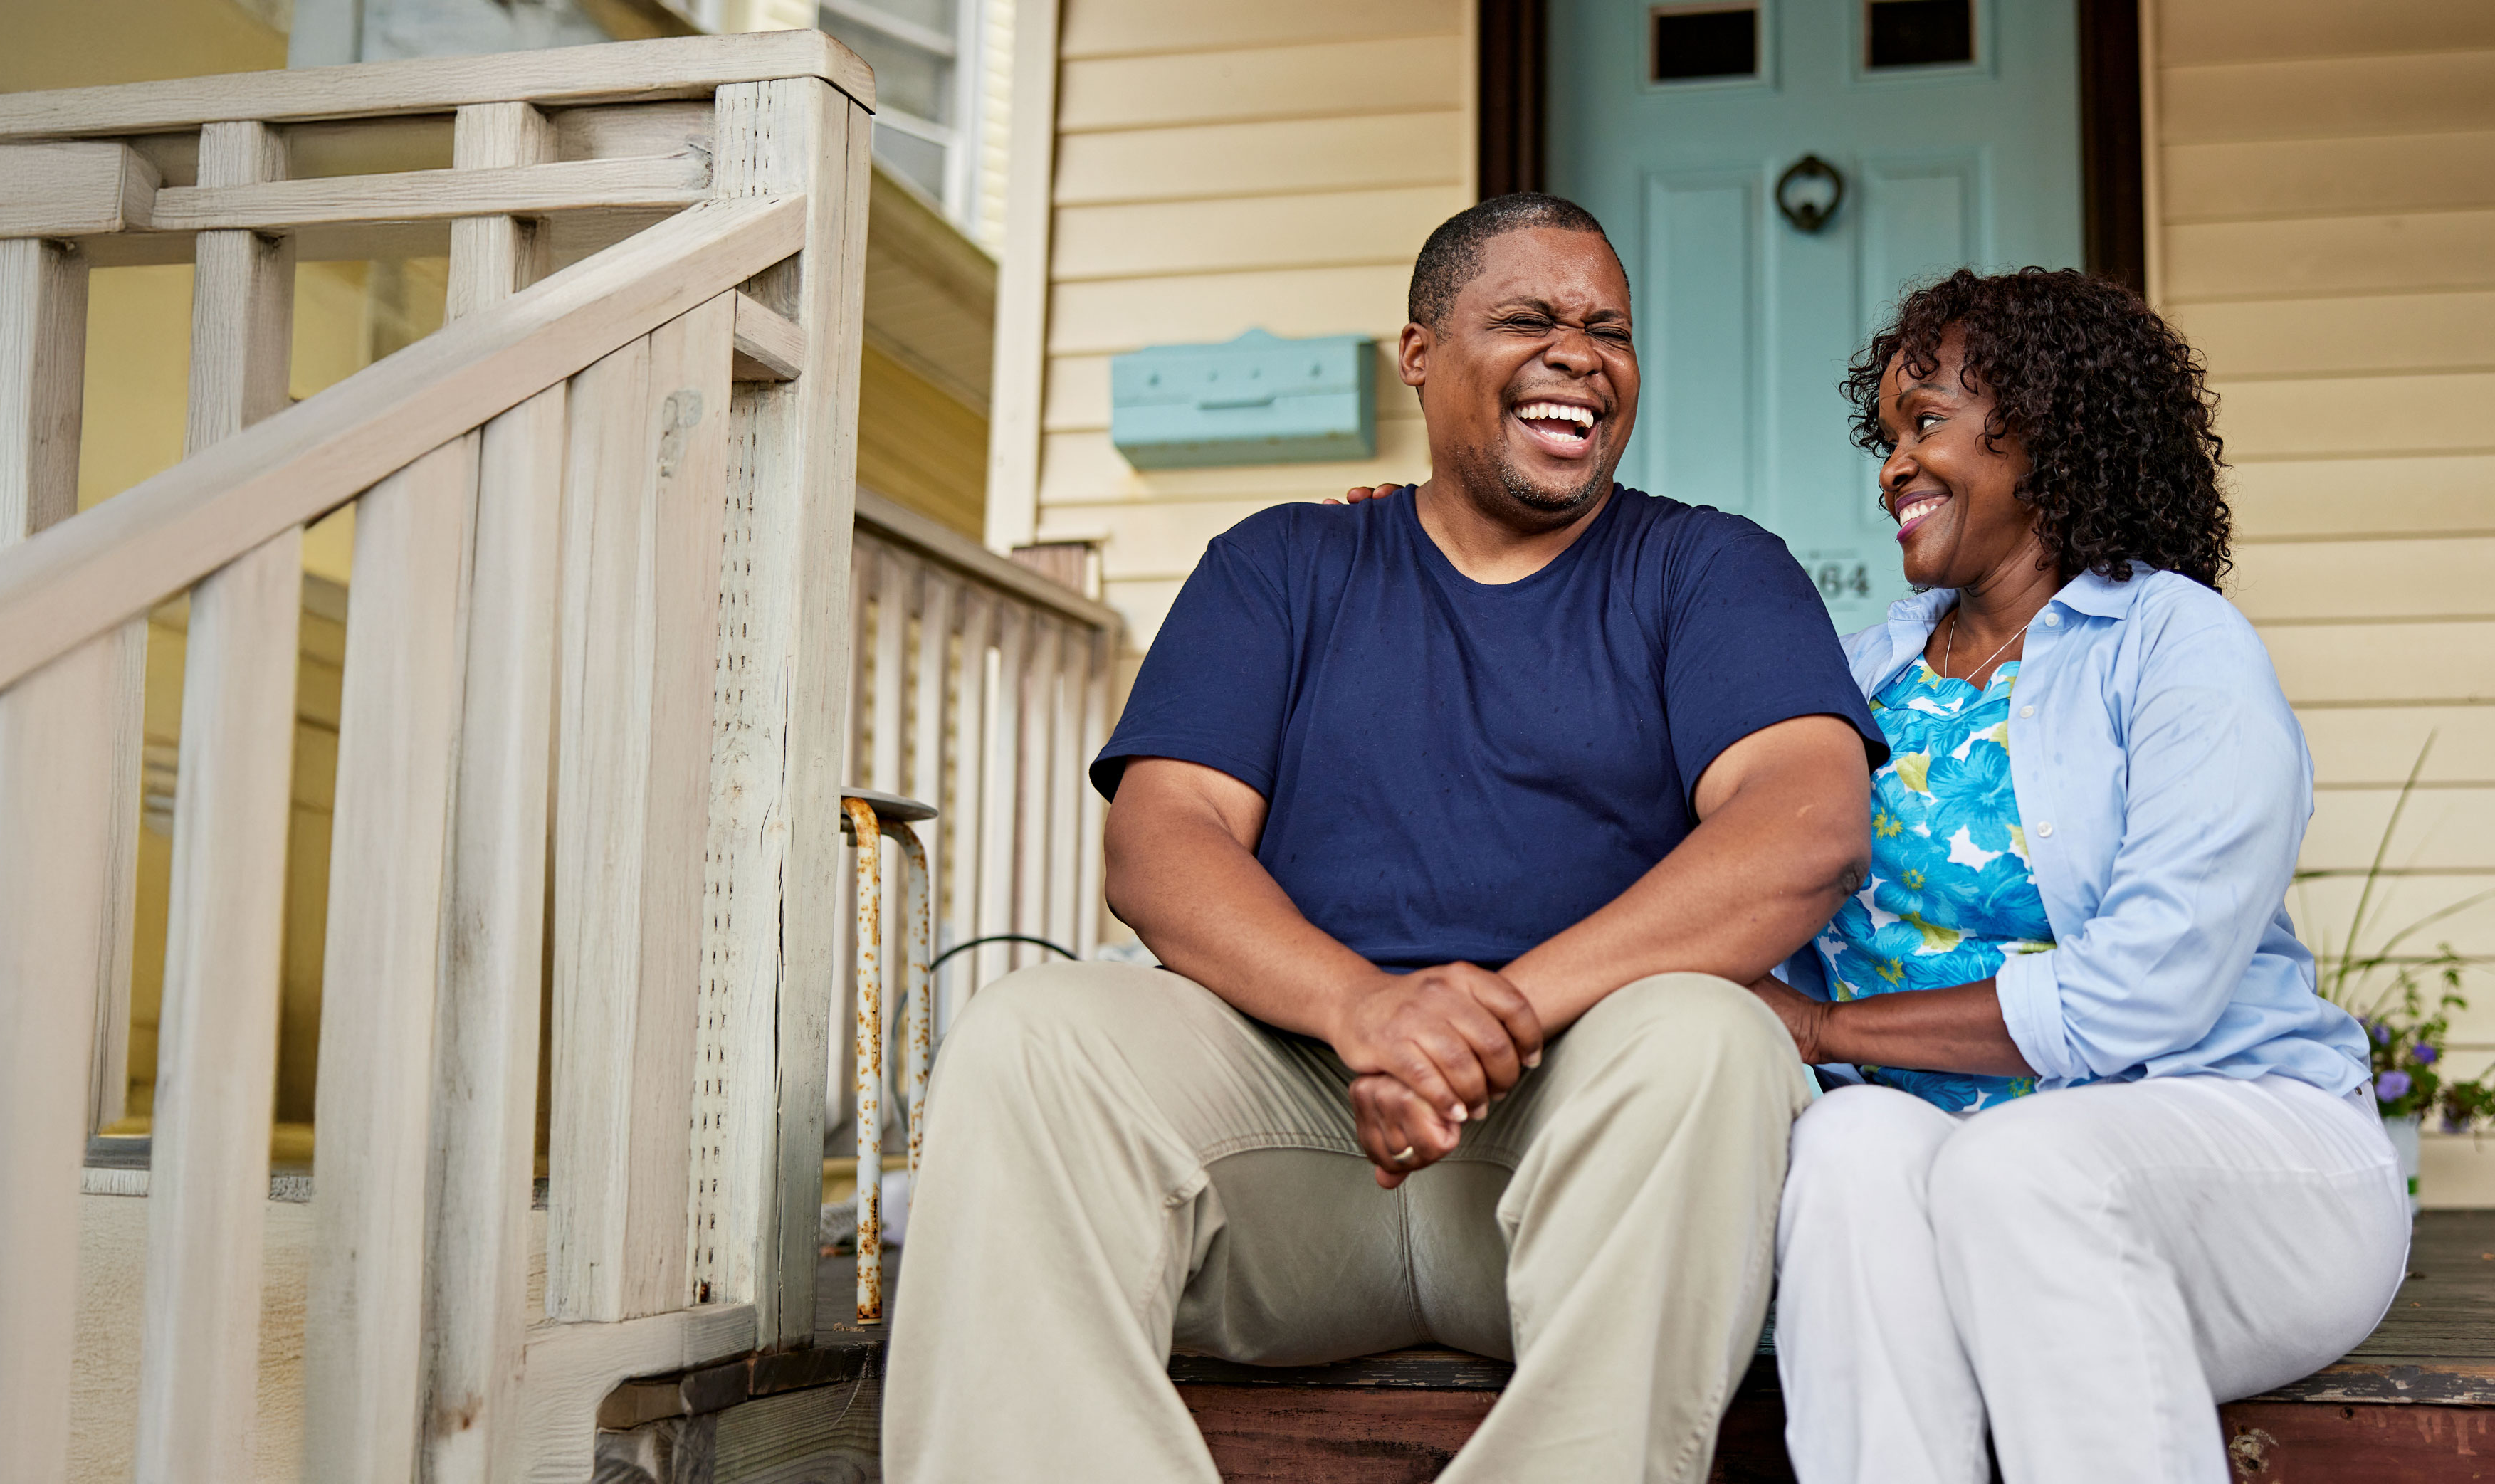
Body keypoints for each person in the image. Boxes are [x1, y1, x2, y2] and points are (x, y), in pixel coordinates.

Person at [885, 191, 1888, 1484]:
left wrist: (1498, 1013)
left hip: (1578, 1153)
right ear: (1418, 354)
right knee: (1030, 1036)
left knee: (1707, 1039)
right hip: (1298, 1145)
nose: (1580, 351)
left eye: (1611, 329)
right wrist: (1365, 1011)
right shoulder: (1282, 566)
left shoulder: (1710, 571)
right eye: (1528, 316)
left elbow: (1805, 825)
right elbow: (1161, 839)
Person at [1748, 268, 2400, 1484]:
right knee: (1842, 1151)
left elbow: (2139, 996)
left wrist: (1827, 1022)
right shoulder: (1858, 677)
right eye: (1886, 436)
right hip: (1957, 1181)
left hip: (2237, 1158)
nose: (1893, 465)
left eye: (1927, 422)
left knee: (2022, 1166)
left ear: (2044, 430)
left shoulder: (2176, 645)